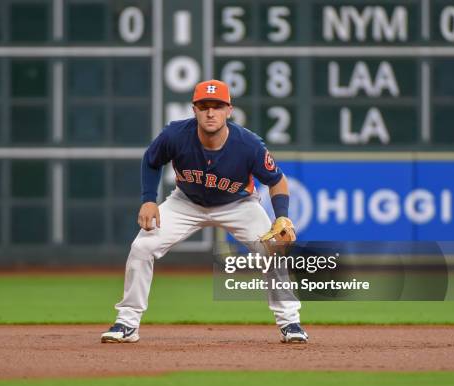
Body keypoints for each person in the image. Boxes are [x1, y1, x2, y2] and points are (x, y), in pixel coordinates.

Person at [100, 79, 308, 344]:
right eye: (204, 106)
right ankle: (127, 323)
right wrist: (149, 199)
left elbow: (276, 181)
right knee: (141, 248)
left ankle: (290, 322)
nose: (211, 113)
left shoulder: (248, 144)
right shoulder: (175, 135)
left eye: (218, 106)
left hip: (238, 205)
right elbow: (151, 161)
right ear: (194, 109)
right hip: (186, 203)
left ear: (229, 110)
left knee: (273, 251)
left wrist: (281, 215)